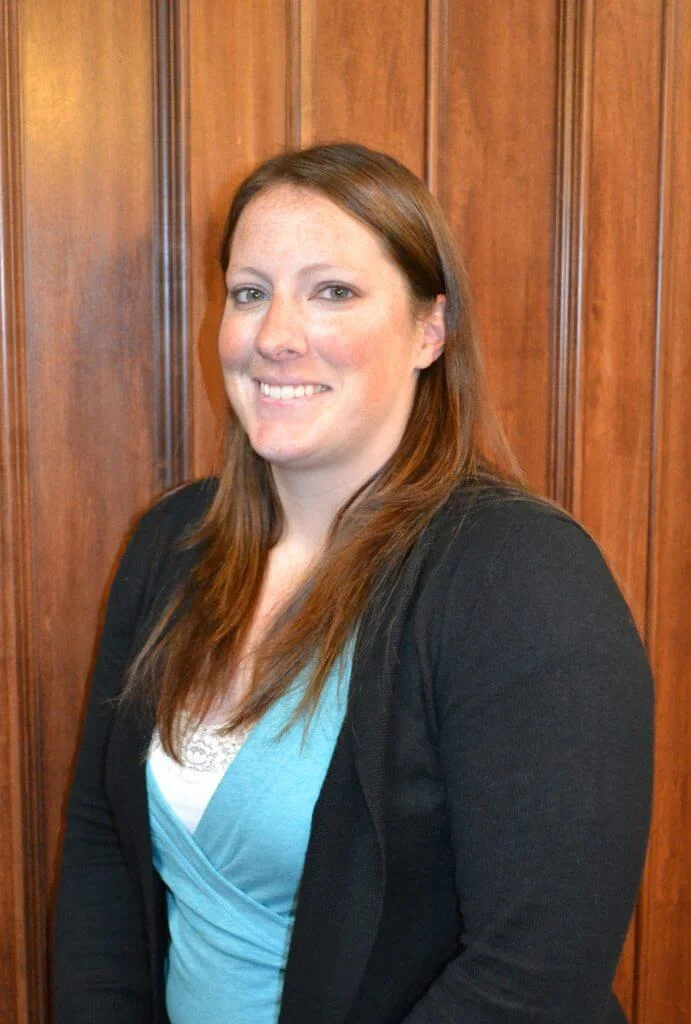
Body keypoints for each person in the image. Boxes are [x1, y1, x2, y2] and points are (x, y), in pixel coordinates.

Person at [53, 142, 653, 1024]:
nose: (275, 335)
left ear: (427, 330)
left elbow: (534, 975)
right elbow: (104, 845)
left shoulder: (521, 579)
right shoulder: (169, 546)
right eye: (250, 292)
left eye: (332, 291)